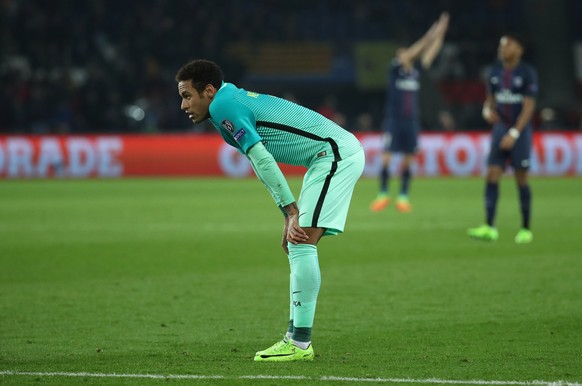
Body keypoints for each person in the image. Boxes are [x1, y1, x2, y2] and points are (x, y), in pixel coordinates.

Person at [176, 60, 365, 361]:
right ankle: (295, 337)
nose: (183, 104)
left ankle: (299, 343)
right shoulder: (227, 100)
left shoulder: (223, 106)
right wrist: (286, 213)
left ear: (208, 91)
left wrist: (291, 212)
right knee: (298, 243)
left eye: (187, 95)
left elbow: (261, 158)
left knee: (300, 241)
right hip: (327, 155)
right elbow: (259, 161)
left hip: (334, 154)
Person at [370, 13, 449, 213]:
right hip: (394, 120)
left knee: (408, 159)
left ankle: (403, 196)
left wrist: (441, 31)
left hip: (411, 120)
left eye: (404, 53)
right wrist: (430, 32)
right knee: (386, 157)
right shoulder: (394, 69)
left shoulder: (416, 71)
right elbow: (418, 49)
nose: (404, 56)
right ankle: (383, 194)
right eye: (402, 54)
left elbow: (431, 50)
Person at [467, 34, 538, 243]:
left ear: (519, 49)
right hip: (500, 129)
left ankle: (525, 228)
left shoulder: (527, 73)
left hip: (520, 131)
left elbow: (529, 107)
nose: (502, 48)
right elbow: (490, 101)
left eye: (507, 45)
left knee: (521, 178)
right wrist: (486, 111)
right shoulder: (494, 72)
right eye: (501, 45)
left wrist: (515, 133)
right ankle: (490, 227)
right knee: (492, 174)